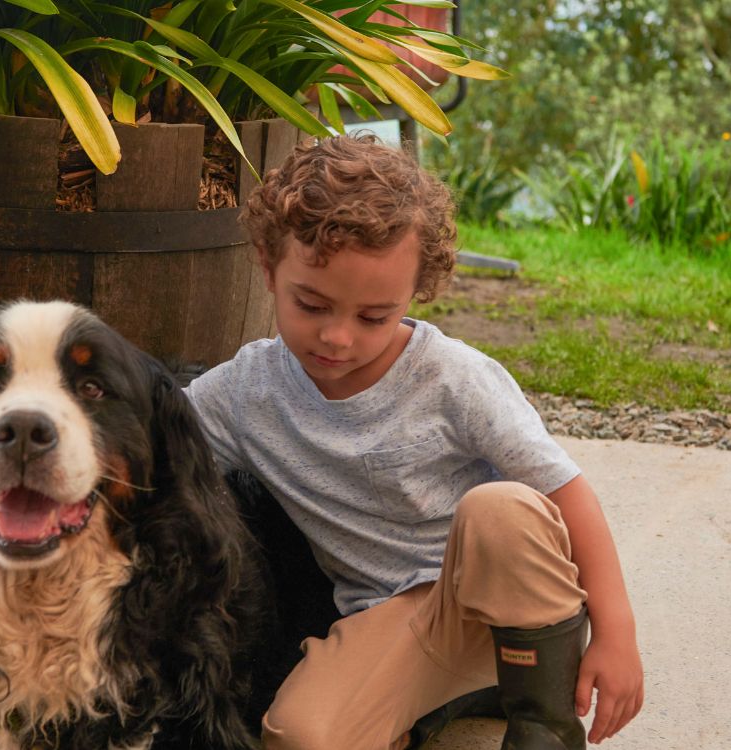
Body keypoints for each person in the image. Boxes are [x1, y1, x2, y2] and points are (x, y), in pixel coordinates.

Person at [184, 134, 644, 749]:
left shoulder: (454, 377)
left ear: (417, 290)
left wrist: (617, 634)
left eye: (374, 316)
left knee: (502, 507)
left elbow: (567, 491)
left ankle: (543, 721)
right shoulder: (245, 391)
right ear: (269, 267)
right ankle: (446, 698)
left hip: (506, 604)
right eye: (312, 304)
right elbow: (151, 446)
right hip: (393, 619)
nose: (339, 337)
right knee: (300, 737)